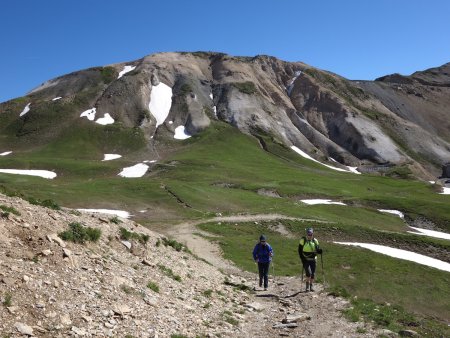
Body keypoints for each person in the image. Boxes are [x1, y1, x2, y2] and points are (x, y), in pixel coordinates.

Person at [298, 227, 322, 292]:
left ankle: (311, 286)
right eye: (308, 234)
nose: (310, 235)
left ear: (312, 234)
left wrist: (319, 251)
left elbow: (317, 249)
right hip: (305, 260)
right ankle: (307, 286)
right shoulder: (303, 240)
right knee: (308, 273)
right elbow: (299, 250)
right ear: (306, 234)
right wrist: (302, 259)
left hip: (313, 259)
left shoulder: (315, 241)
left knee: (313, 273)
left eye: (311, 234)